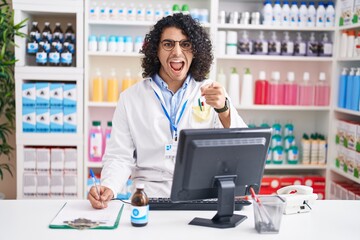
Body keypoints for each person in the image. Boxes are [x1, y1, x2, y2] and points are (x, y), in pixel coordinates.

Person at [88, 13, 247, 209]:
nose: (177, 52)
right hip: (149, 199)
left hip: (201, 199)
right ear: (156, 50)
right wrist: (109, 186)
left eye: (186, 44)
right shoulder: (130, 98)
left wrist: (224, 110)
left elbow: (241, 147)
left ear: (196, 51)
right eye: (168, 44)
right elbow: (119, 156)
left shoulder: (211, 92)